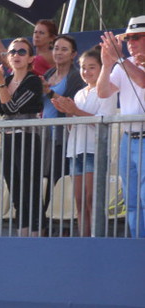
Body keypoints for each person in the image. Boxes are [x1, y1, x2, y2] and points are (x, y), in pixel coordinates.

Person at [0, 38, 45, 237]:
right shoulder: (5, 81)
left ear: (31, 58)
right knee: (15, 191)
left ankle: (36, 237)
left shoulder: (33, 80)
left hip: (28, 140)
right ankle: (22, 237)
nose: (16, 55)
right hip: (8, 139)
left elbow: (12, 108)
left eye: (22, 52)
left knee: (30, 191)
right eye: (13, 51)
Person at [51, 46, 117, 237]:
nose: (86, 72)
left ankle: (98, 238)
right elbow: (74, 125)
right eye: (83, 67)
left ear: (102, 68)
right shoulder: (80, 93)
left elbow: (103, 122)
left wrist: (75, 111)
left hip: (94, 150)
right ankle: (84, 238)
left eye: (92, 67)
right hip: (75, 150)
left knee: (92, 199)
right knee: (79, 201)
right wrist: (68, 111)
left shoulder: (107, 90)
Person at [97, 16, 145, 238]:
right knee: (132, 201)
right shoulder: (125, 63)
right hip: (129, 138)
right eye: (127, 38)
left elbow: (143, 81)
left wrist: (120, 59)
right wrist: (107, 65)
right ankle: (137, 247)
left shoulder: (126, 63)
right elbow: (103, 92)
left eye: (136, 37)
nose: (131, 42)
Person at [41, 35, 85, 212]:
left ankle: (62, 225)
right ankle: (44, 222)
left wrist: (48, 92)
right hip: (45, 135)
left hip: (63, 137)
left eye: (64, 49)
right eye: (56, 48)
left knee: (58, 179)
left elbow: (70, 104)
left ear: (73, 54)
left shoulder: (75, 76)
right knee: (44, 180)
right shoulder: (49, 74)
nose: (58, 52)